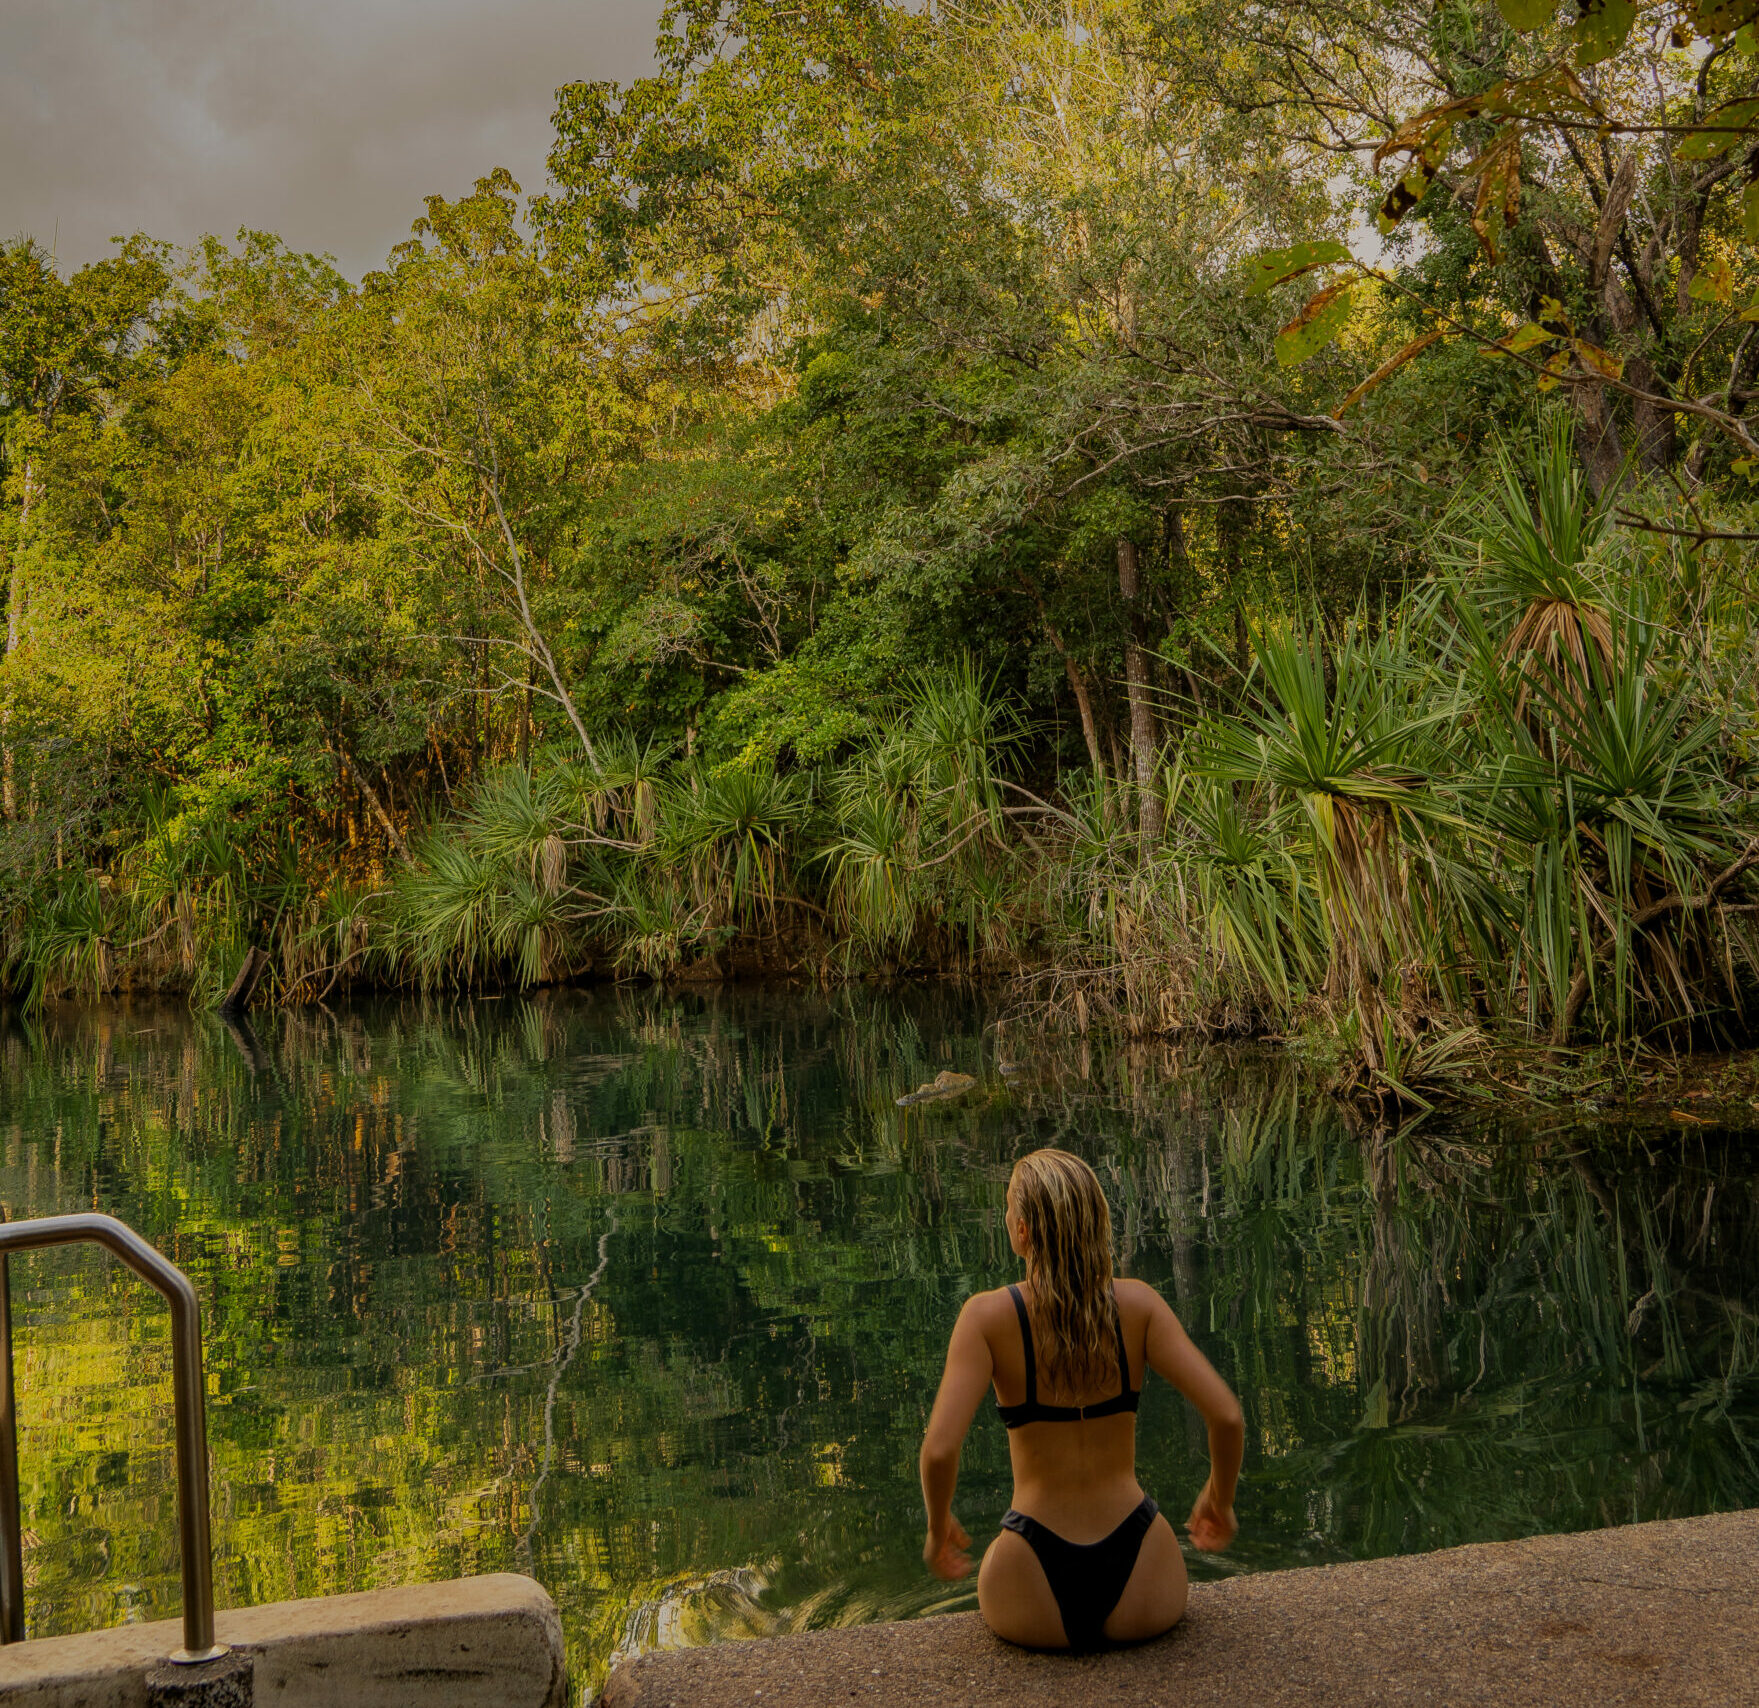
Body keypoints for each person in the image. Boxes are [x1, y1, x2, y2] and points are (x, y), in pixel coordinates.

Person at [919, 1147, 1244, 1650]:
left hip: (1026, 1573)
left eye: (1008, 1208)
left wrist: (939, 1527)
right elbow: (1226, 1416)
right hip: (1145, 1569)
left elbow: (939, 1450)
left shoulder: (985, 1318)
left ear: (1022, 1230)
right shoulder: (1138, 1305)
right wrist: (1219, 1499)